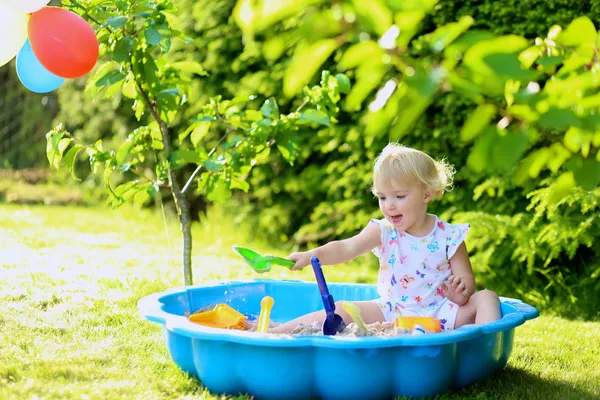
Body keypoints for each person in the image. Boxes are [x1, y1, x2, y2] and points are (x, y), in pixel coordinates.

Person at [270, 143, 501, 334]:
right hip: (392, 312)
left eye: (399, 196)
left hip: (441, 312)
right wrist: (312, 255)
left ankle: (484, 343)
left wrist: (460, 292)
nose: (389, 205)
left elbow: (466, 281)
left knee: (487, 297)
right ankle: (275, 332)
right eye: (382, 197)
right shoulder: (384, 230)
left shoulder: (450, 236)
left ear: (426, 194)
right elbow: (347, 247)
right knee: (342, 309)